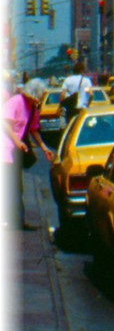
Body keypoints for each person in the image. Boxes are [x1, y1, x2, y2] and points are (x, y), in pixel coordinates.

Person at [3, 79, 53, 229]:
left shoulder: (33, 108)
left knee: (17, 187)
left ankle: (18, 221)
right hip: (5, 148)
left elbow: (33, 130)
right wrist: (16, 141)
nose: (43, 98)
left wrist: (44, 148)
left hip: (15, 150)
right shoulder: (16, 101)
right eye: (42, 94)